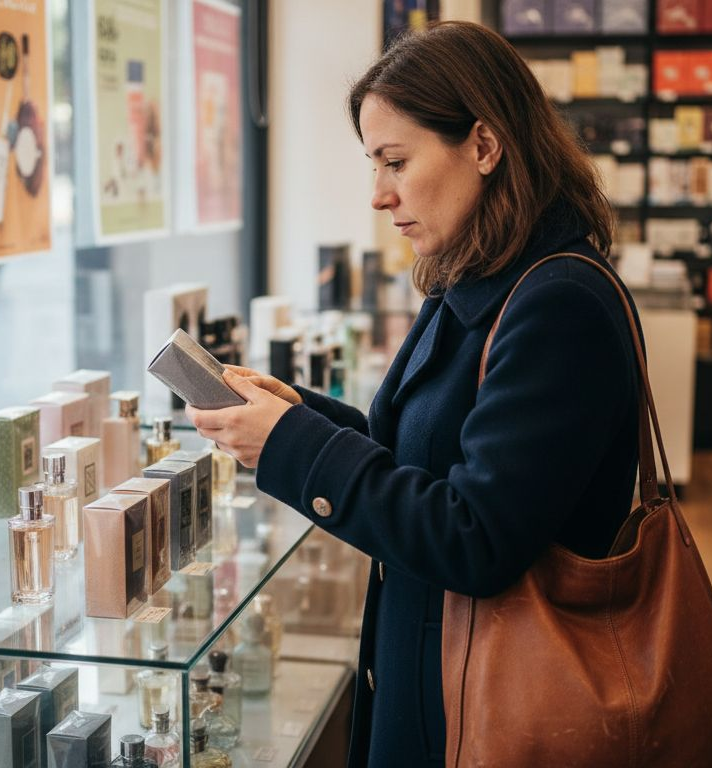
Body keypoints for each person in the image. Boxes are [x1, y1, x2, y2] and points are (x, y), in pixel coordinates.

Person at [188, 21, 642, 767]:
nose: (378, 194)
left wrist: (291, 447)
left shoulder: (559, 304)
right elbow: (418, 456)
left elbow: (476, 538)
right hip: (441, 681)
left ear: (485, 146)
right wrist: (297, 414)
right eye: (375, 164)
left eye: (396, 161)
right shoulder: (475, 272)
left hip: (501, 709)